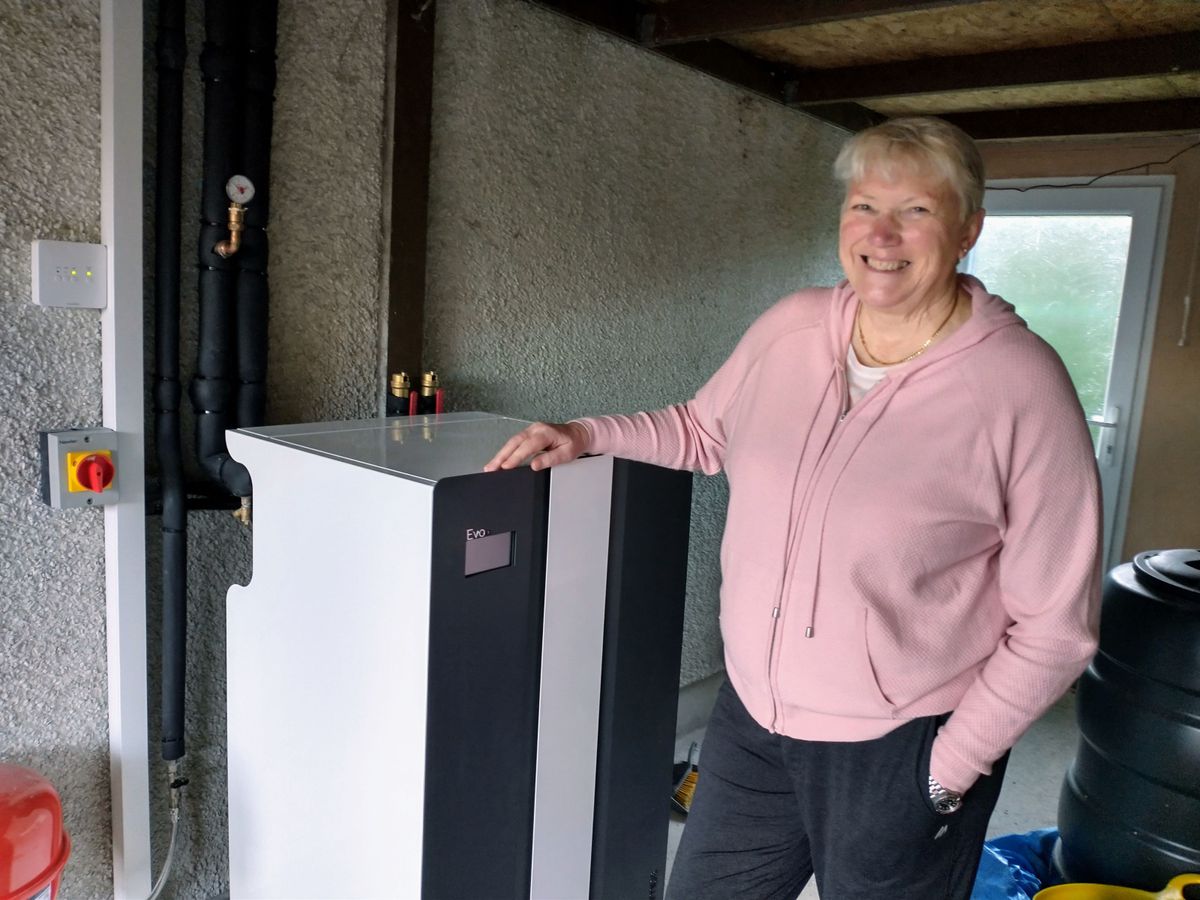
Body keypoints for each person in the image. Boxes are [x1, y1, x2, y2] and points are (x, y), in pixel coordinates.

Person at [485, 116, 1101, 899]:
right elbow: (703, 428)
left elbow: (1056, 627)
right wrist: (584, 432)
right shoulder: (792, 327)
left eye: (915, 208)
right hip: (752, 722)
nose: (881, 233)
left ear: (968, 227)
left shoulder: (1020, 385)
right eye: (861, 205)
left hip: (901, 743)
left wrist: (946, 773)